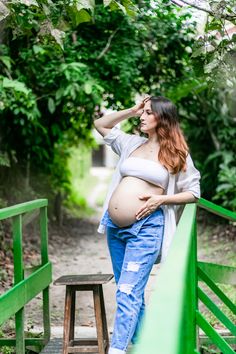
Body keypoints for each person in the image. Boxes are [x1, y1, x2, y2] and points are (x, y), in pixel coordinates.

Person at [94, 96, 201, 354]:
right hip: (115, 228)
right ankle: (143, 346)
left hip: (146, 228)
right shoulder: (131, 143)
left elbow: (194, 192)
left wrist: (161, 199)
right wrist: (131, 109)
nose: (142, 116)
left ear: (162, 118)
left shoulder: (176, 153)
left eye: (148, 113)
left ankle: (117, 350)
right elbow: (101, 124)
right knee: (128, 290)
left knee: (128, 291)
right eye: (142, 112)